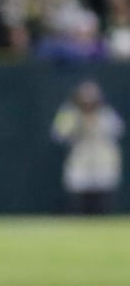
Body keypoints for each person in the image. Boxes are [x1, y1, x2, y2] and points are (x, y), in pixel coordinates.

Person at [50, 80, 124, 214]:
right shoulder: (70, 113)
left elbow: (118, 130)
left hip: (102, 160)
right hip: (80, 159)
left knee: (103, 197)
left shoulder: (105, 113)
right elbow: (58, 134)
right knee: (79, 197)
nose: (88, 104)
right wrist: (76, 122)